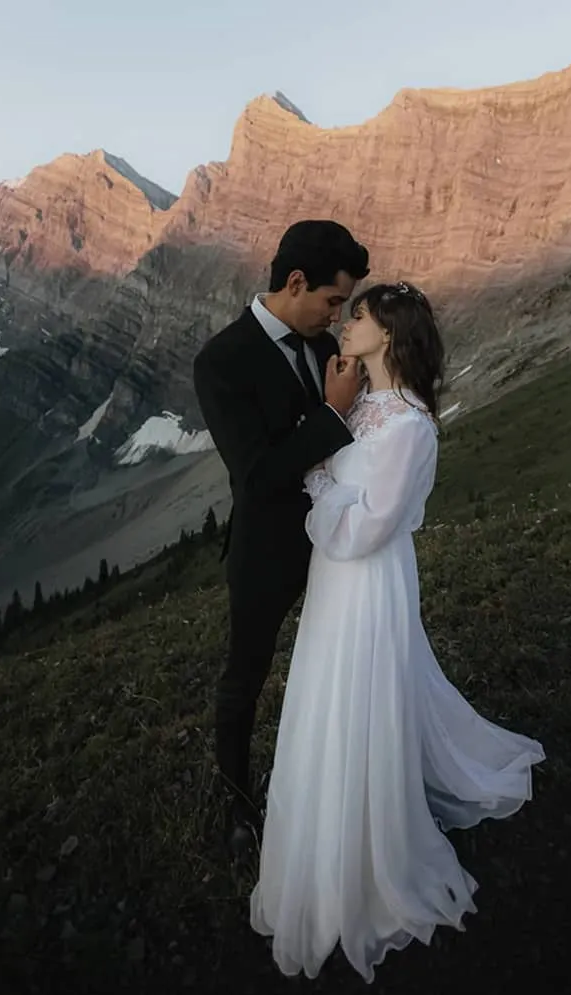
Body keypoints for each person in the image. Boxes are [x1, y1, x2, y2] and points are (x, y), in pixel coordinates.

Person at [250, 281, 546, 983]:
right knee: (326, 699)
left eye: (358, 316)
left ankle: (367, 845)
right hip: (335, 582)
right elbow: (327, 473)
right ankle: (324, 828)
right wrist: (329, 448)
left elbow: (365, 524)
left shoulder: (410, 426)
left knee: (358, 700)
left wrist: (324, 489)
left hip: (366, 580)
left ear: (389, 333)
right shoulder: (365, 404)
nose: (345, 323)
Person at [192, 220, 370, 859]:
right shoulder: (221, 360)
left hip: (337, 542)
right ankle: (237, 805)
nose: (337, 315)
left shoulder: (324, 346)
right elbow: (258, 475)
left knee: (339, 666)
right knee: (246, 676)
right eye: (332, 301)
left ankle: (334, 781)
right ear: (295, 282)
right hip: (267, 550)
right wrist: (331, 414)